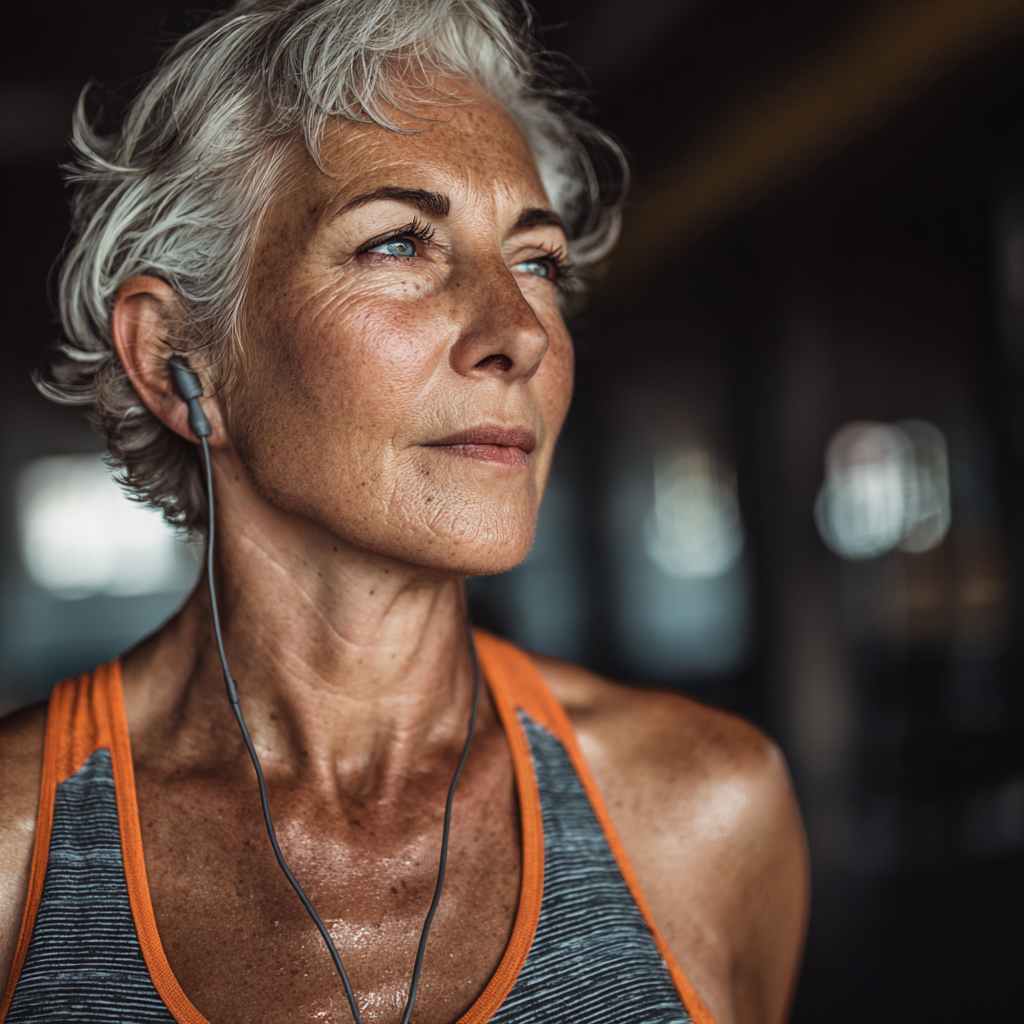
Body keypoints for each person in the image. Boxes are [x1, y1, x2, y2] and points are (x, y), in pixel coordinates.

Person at [0, 2, 808, 1022]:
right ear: (176, 358)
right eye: (398, 245)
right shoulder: (16, 855)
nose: (517, 331)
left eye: (537, 261)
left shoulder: (704, 808)